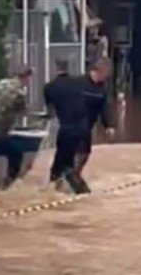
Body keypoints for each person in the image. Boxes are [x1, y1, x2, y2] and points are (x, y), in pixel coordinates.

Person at [44, 59, 88, 193]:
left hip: (65, 129)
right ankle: (74, 187)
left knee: (61, 162)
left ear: (56, 68)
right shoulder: (78, 84)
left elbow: (50, 112)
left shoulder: (50, 87)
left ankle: (54, 189)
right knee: (70, 160)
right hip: (82, 128)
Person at [74, 58, 116, 193]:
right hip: (73, 124)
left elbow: (104, 109)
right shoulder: (79, 83)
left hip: (87, 126)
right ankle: (68, 177)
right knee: (76, 152)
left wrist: (109, 125)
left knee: (85, 154)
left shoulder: (101, 90)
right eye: (107, 73)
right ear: (100, 70)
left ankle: (75, 175)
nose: (108, 76)